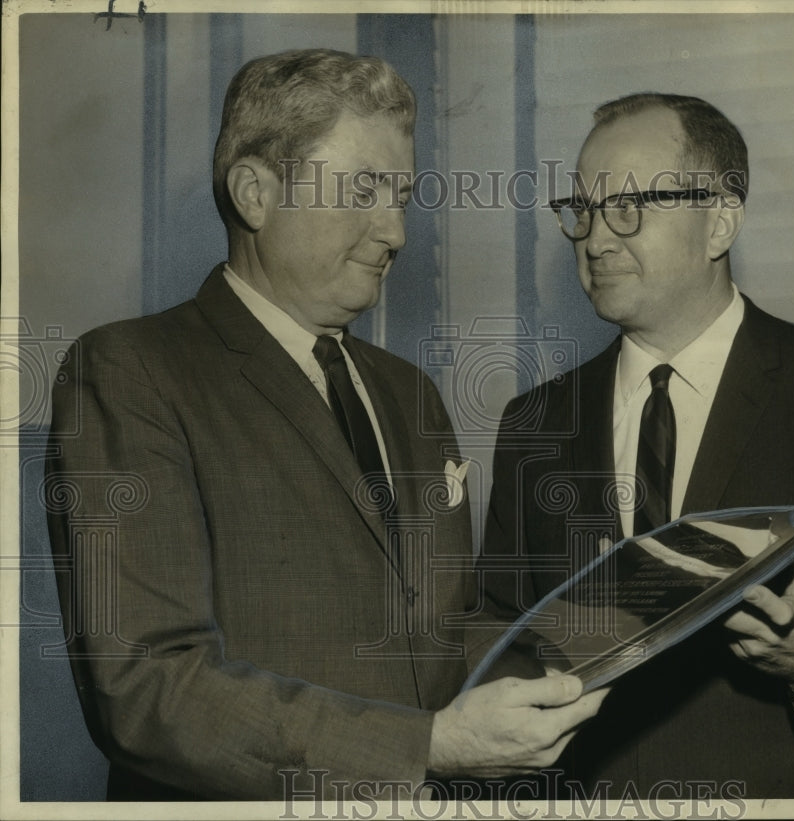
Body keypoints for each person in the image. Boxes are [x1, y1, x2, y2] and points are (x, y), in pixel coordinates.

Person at [44, 49, 605, 802]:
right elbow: (148, 688)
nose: (395, 232)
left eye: (402, 196)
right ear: (255, 193)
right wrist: (426, 748)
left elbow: (443, 632)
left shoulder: (408, 392)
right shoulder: (131, 372)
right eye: (365, 189)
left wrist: (613, 640)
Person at [481, 93, 794, 798]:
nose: (594, 240)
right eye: (582, 210)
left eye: (628, 206)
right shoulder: (533, 423)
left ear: (719, 221)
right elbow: (497, 651)